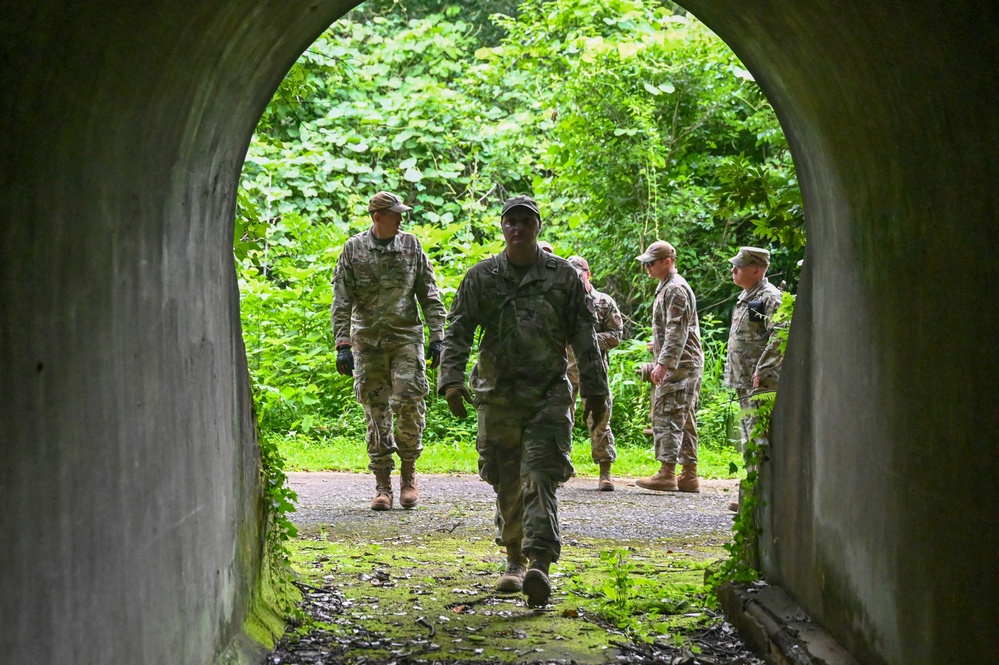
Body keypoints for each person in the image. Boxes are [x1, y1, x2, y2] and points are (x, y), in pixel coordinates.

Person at [437, 195, 609, 607]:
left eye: (525, 222)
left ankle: (540, 565)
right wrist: (451, 380)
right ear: (502, 227)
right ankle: (514, 559)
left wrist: (595, 389)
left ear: (537, 227)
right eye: (510, 222)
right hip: (496, 397)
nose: (518, 228)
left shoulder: (563, 278)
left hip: (548, 395)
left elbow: (585, 335)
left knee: (540, 476)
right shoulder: (482, 276)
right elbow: (458, 328)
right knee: (506, 480)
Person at [331, 191, 447, 511]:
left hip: (405, 337)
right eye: (395, 214)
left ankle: (408, 474)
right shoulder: (354, 249)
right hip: (367, 341)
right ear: (377, 217)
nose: (401, 219)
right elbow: (341, 300)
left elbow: (430, 293)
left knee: (409, 400)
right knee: (375, 409)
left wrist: (438, 337)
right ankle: (382, 483)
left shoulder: (411, 246)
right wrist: (343, 343)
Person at [634, 241, 703, 493]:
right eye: (646, 263)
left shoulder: (675, 289)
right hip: (683, 361)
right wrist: (659, 346)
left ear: (667, 262)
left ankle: (667, 473)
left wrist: (663, 364)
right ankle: (688, 475)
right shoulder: (667, 287)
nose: (648, 267)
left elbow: (677, 330)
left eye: (651, 263)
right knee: (684, 417)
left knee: (669, 413)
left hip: (681, 364)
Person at [565, 255, 623, 491]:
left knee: (600, 420)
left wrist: (588, 340)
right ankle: (561, 467)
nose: (576, 281)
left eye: (579, 276)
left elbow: (616, 335)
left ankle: (605, 473)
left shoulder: (603, 302)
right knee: (560, 418)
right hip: (566, 370)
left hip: (595, 371)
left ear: (588, 275)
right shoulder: (562, 303)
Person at [724, 246, 784, 453]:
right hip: (745, 378)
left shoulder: (770, 297)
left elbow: (780, 334)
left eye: (738, 267)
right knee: (749, 436)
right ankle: (753, 482)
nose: (733, 271)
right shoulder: (748, 296)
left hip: (760, 382)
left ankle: (761, 483)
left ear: (756, 270)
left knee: (759, 438)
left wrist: (764, 369)